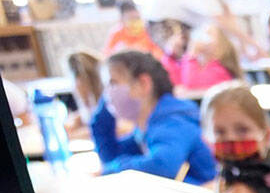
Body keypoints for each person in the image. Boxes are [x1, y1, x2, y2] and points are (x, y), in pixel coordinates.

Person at [92, 50, 217, 184]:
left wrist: (111, 170)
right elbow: (111, 155)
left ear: (143, 84)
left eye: (112, 83)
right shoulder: (146, 127)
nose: (107, 94)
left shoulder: (174, 121)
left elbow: (162, 166)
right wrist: (100, 119)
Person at [166, 23, 244, 91]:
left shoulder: (221, 70)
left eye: (208, 34)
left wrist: (192, 54)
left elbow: (191, 85)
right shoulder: (199, 66)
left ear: (221, 44)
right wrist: (170, 55)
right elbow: (173, 78)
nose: (202, 38)